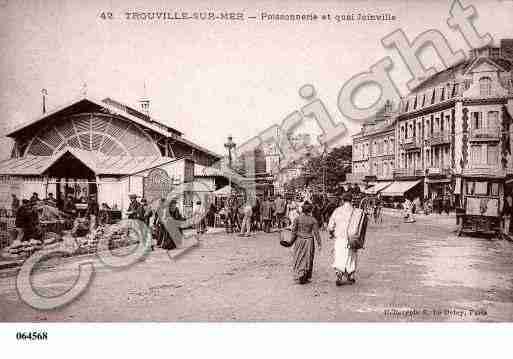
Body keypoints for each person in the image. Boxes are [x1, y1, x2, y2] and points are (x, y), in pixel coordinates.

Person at [328, 193, 358, 286]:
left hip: (340, 238)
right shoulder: (356, 212)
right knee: (351, 256)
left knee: (339, 256)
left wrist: (331, 232)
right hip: (352, 238)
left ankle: (339, 275)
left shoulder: (337, 211)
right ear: (351, 200)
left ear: (342, 200)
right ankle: (350, 275)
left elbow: (330, 226)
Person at [290, 201, 321, 284]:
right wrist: (319, 244)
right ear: (310, 210)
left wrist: (291, 242)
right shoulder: (313, 220)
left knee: (299, 256)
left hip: (299, 240)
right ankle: (305, 276)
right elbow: (316, 233)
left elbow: (293, 231)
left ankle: (300, 273)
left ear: (302, 210)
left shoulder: (297, 219)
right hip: (309, 241)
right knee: (308, 258)